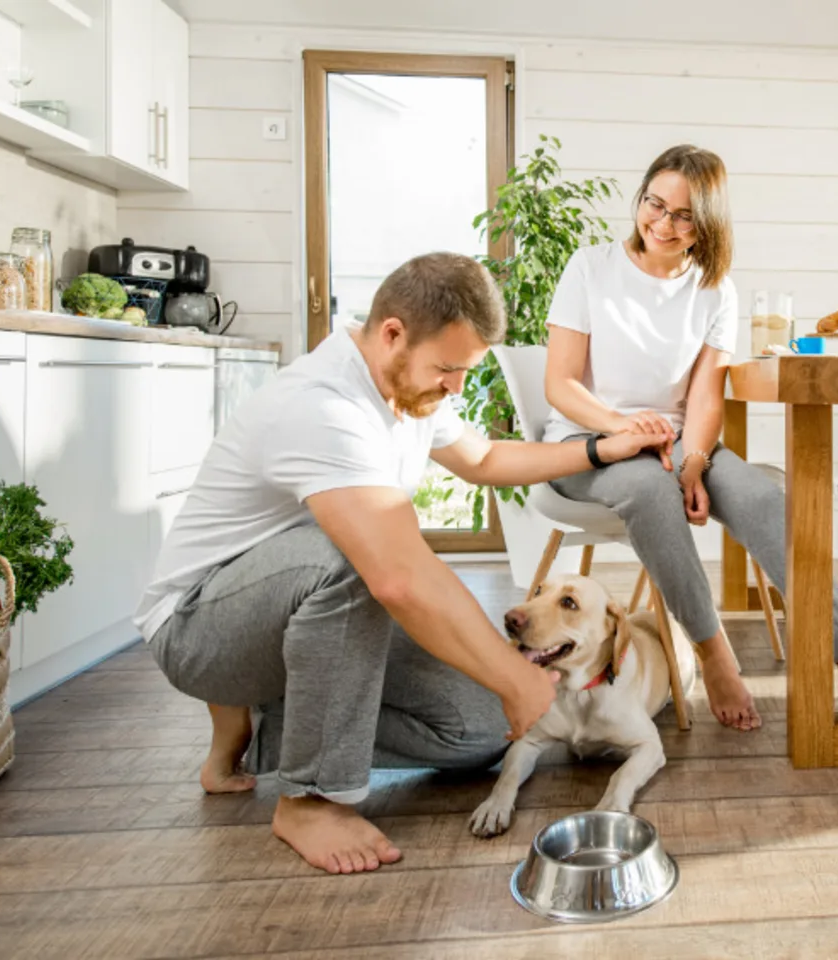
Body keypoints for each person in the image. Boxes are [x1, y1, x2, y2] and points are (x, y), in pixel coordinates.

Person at [134, 252, 671, 875]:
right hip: (199, 629)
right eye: (448, 368)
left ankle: (271, 732)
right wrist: (514, 673)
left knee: (481, 729)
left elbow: (487, 460)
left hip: (302, 625)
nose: (456, 387)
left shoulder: (409, 390)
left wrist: (604, 447)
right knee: (361, 559)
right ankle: (311, 797)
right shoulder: (324, 406)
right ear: (392, 333)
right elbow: (395, 576)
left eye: (464, 371)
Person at [543, 144, 838, 732]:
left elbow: (705, 395)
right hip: (588, 442)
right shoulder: (590, 268)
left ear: (707, 223)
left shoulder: (715, 288)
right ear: (640, 199)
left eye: (683, 215)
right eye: (654, 204)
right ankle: (715, 655)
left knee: (767, 501)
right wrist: (625, 428)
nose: (663, 224)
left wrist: (692, 462)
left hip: (676, 442)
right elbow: (560, 384)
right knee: (647, 489)